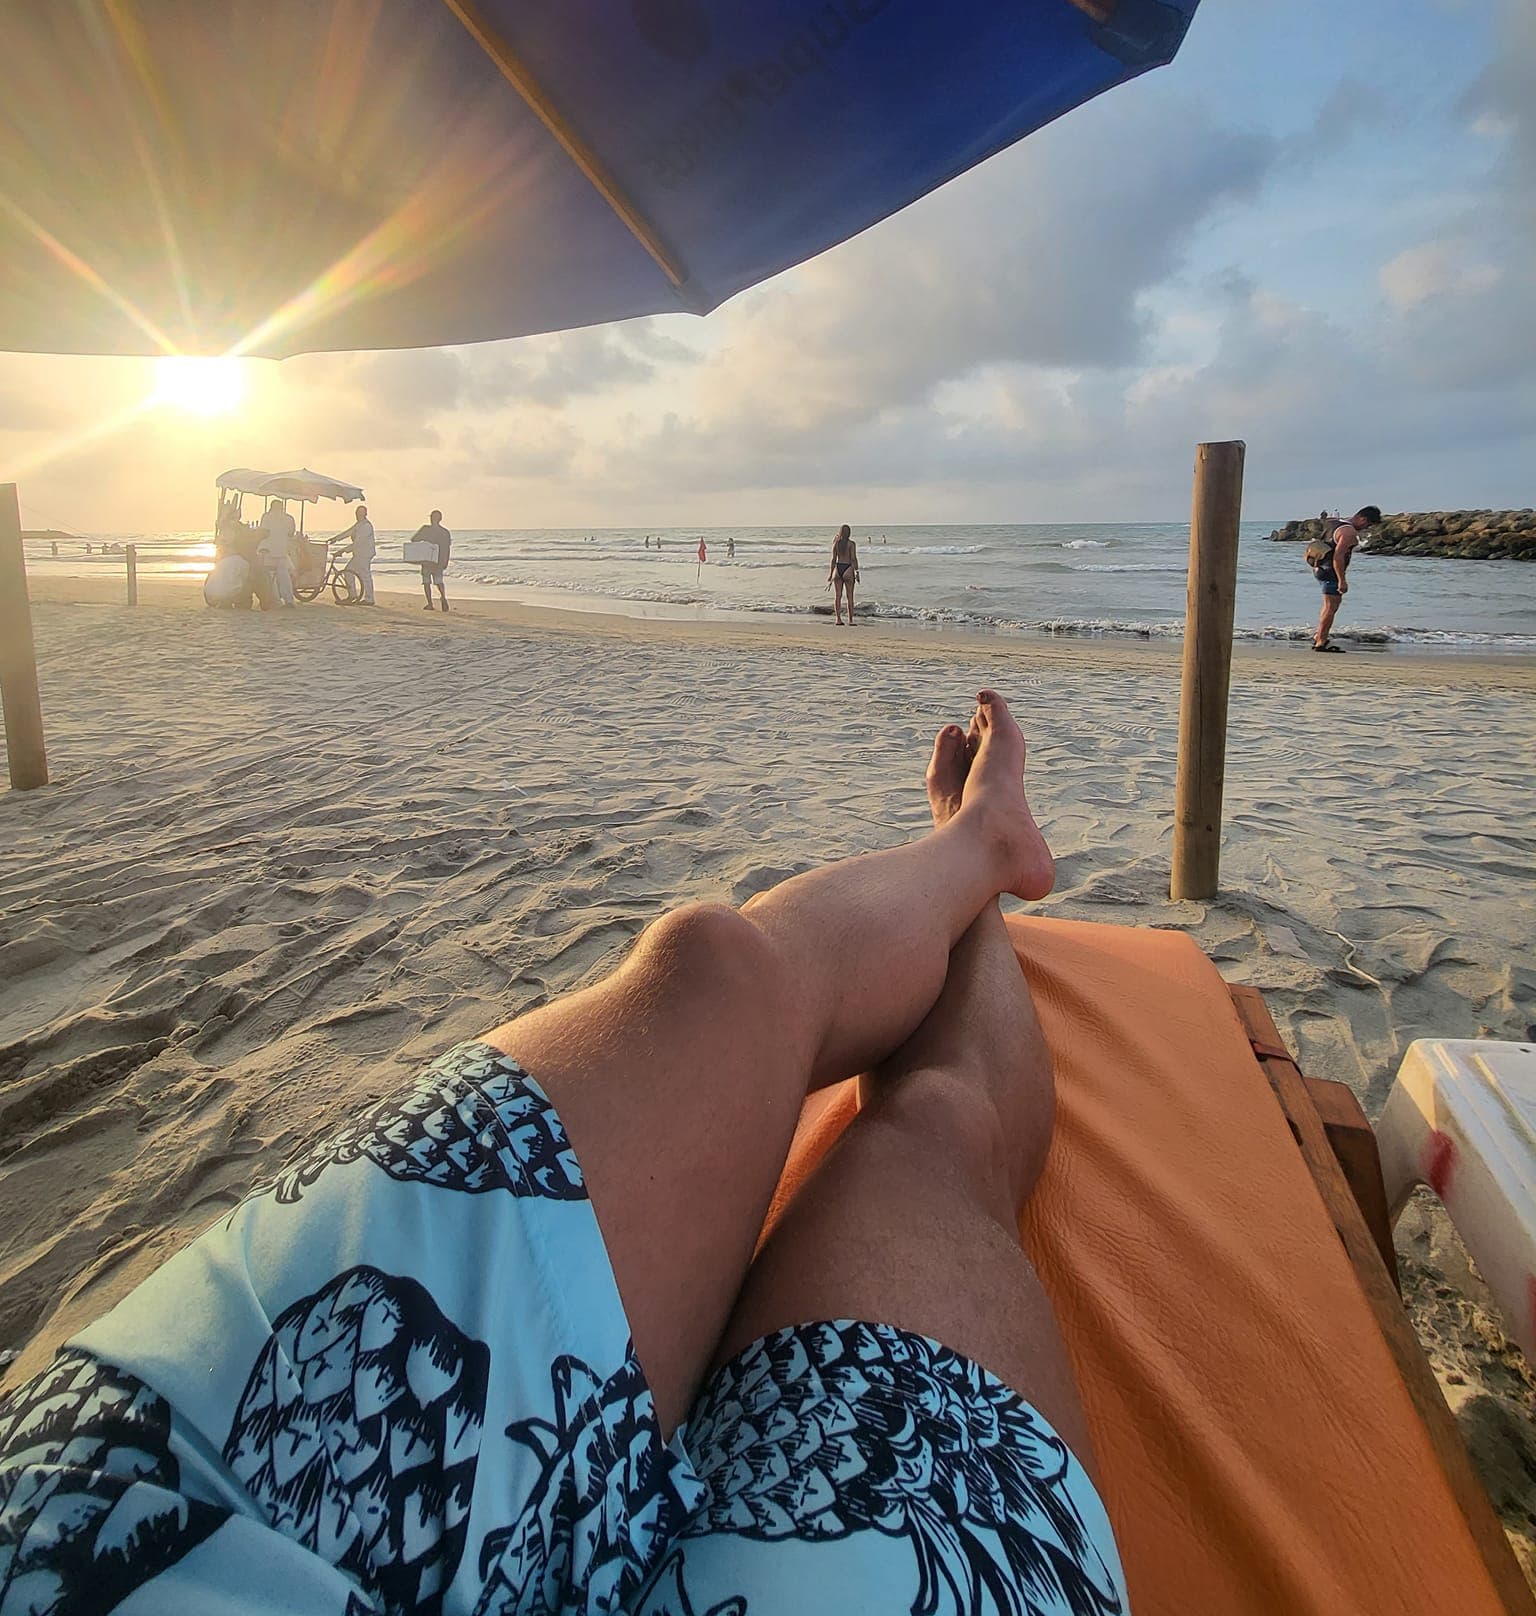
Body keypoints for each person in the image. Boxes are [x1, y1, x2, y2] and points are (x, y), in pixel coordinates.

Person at [0, 690, 1127, 1614]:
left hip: (132, 1522)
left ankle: (977, 847)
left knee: (715, 967)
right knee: (925, 1138)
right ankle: (976, 890)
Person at [1310, 504, 1382, 652]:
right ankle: (1321, 642)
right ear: (1362, 518)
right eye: (1368, 524)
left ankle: (1319, 636)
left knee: (1330, 605)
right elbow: (1338, 556)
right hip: (1331, 571)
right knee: (1331, 607)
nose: (1366, 528)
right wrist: (1342, 580)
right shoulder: (1349, 532)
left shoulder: (1333, 523)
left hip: (1320, 567)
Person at [257, 499, 297, 608]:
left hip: (268, 551)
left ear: (271, 506)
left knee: (270, 577)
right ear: (282, 507)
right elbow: (291, 533)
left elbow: (263, 532)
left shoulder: (266, 516)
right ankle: (289, 600)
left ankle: (275, 600)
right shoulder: (289, 518)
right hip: (282, 552)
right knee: (284, 577)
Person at [412, 508, 452, 612]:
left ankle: (430, 603)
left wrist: (424, 541)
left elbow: (414, 539)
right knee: (438, 581)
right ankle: (443, 597)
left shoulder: (425, 529)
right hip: (438, 560)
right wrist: (445, 561)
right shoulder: (445, 532)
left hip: (427, 559)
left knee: (426, 582)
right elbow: (447, 548)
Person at [342, 501, 377, 606]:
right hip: (359, 555)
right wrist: (334, 539)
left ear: (365, 514)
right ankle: (353, 595)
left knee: (365, 575)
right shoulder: (359, 524)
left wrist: (343, 550)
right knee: (349, 572)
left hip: (364, 555)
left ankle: (369, 599)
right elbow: (348, 532)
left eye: (360, 513)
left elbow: (358, 543)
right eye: (357, 513)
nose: (357, 515)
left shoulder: (366, 526)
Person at [828, 522, 860, 626]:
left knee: (838, 596)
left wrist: (830, 574)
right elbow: (853, 559)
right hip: (848, 569)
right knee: (849, 596)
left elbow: (833, 560)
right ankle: (850, 620)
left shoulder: (836, 543)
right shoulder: (851, 544)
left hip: (838, 569)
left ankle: (838, 619)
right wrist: (857, 572)